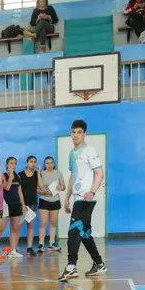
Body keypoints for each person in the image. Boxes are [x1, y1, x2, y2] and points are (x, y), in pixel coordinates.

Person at [59, 120, 106, 281]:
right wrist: (67, 198)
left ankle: (71, 266)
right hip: (77, 198)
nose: (75, 135)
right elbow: (72, 176)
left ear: (84, 134)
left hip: (86, 198)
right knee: (84, 233)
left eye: (79, 132)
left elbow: (100, 173)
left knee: (74, 230)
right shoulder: (72, 153)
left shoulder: (90, 150)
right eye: (73, 132)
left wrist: (92, 192)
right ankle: (99, 264)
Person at [2, 155, 28, 254]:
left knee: (15, 227)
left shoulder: (18, 176)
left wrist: (23, 204)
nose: (13, 165)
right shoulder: (4, 175)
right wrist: (10, 176)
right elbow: (7, 188)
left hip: (16, 204)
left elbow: (20, 191)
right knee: (1, 228)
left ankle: (13, 250)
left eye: (15, 163)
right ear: (7, 165)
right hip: (6, 205)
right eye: (11, 163)